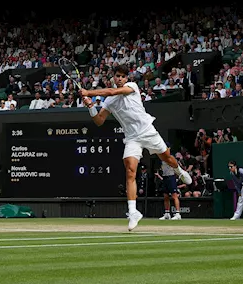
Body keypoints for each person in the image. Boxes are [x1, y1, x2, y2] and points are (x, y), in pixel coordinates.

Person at [81, 66, 192, 231]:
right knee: (130, 170)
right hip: (132, 138)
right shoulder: (109, 102)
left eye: (122, 76)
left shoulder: (131, 87)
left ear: (126, 79)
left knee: (167, 158)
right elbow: (99, 121)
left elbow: (112, 92)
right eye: (117, 76)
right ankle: (133, 212)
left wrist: (89, 92)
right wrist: (91, 106)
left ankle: (180, 172)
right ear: (113, 77)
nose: (120, 79)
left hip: (147, 131)